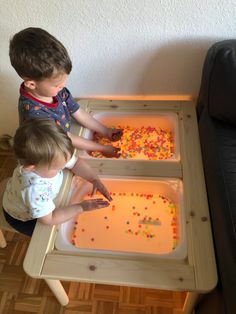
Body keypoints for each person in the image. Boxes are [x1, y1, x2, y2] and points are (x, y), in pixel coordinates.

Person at [9, 27, 122, 157]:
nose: (63, 86)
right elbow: (66, 137)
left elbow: (77, 111)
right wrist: (101, 148)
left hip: (63, 136)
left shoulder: (57, 91)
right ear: (31, 84)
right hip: (47, 152)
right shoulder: (34, 114)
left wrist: (105, 130)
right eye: (57, 84)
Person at [0, 118, 111, 237]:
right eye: (57, 168)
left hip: (30, 198)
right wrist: (81, 207)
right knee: (51, 234)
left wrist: (94, 179)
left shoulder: (46, 157)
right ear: (31, 168)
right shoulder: (34, 190)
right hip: (23, 218)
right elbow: (50, 219)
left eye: (65, 163)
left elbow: (75, 163)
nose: (64, 167)